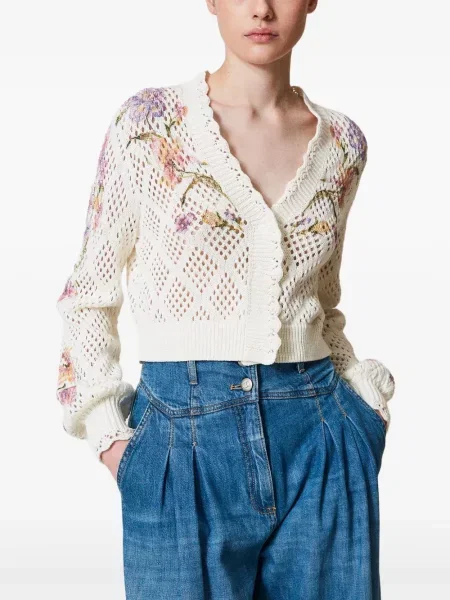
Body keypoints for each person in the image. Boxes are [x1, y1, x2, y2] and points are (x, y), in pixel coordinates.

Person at [55, 0, 395, 598]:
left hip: (319, 436)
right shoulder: (148, 125)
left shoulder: (344, 144)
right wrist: (109, 436)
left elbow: (322, 301)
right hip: (180, 442)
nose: (261, 9)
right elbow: (89, 294)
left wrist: (364, 412)